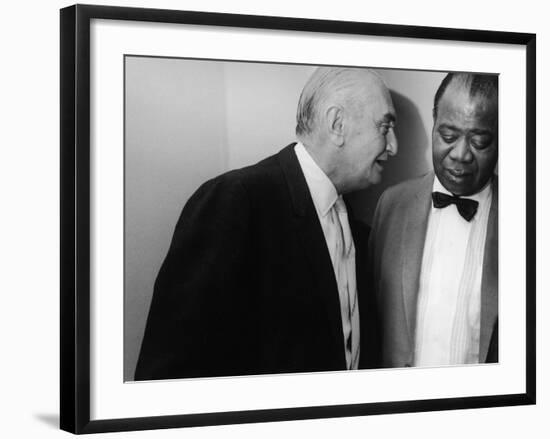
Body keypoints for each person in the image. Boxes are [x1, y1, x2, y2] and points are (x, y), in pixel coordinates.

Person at [134, 67, 398, 380]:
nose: (394, 146)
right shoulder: (235, 201)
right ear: (337, 124)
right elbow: (169, 370)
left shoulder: (359, 230)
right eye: (385, 127)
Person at [369, 72, 498, 368]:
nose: (461, 154)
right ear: (434, 122)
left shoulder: (530, 215)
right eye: (448, 136)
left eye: (480, 141)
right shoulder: (391, 205)